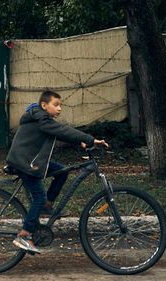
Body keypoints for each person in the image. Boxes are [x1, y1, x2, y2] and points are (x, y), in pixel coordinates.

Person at [6, 90, 108, 254]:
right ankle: (24, 235)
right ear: (44, 105)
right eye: (56, 105)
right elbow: (61, 130)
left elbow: (59, 132)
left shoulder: (41, 119)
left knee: (61, 171)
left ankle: (47, 205)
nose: (59, 108)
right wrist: (89, 139)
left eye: (61, 105)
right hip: (25, 163)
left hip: (29, 160)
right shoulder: (42, 119)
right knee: (38, 197)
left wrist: (80, 141)